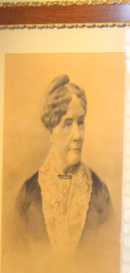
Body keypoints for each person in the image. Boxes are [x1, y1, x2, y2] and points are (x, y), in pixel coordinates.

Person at [16, 74, 112, 259]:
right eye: (67, 124)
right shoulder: (28, 195)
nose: (78, 135)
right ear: (51, 130)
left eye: (81, 123)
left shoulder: (100, 193)